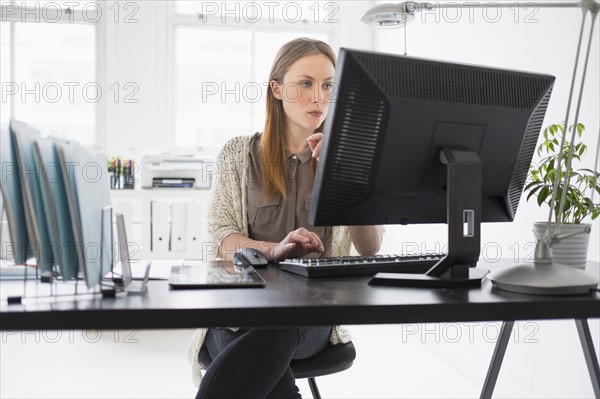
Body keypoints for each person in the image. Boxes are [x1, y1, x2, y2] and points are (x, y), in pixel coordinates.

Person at [187, 37, 384, 398]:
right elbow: (220, 237)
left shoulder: (350, 156)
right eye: (305, 84)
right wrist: (273, 249)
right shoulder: (237, 154)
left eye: (328, 86)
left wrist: (344, 177)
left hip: (309, 316)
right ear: (277, 89)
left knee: (268, 334)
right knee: (242, 343)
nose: (318, 97)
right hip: (239, 307)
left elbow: (369, 247)